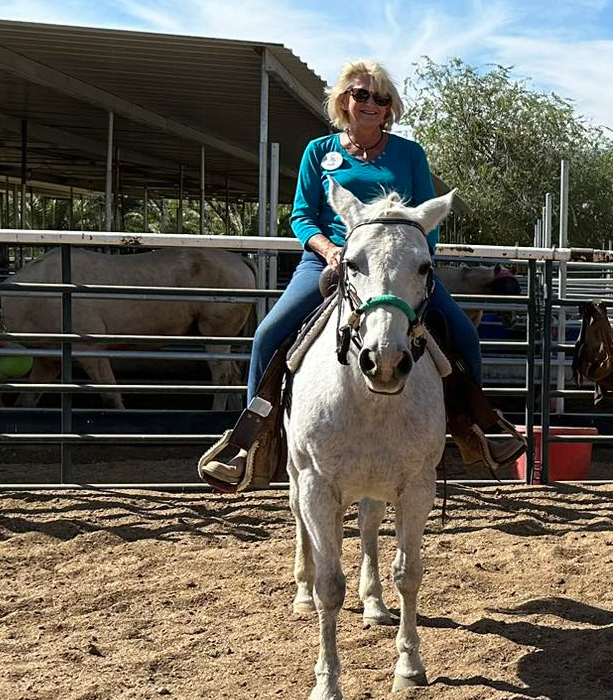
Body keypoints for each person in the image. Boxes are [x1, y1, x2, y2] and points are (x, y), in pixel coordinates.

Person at [200, 59, 523, 485]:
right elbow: (301, 217)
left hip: (399, 262)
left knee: (463, 333)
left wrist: (412, 261)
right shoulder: (319, 152)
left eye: (381, 97)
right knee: (268, 335)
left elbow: (429, 222)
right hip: (330, 260)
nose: (371, 103)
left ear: (390, 107)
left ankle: (477, 427)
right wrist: (329, 249)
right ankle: (250, 442)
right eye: (361, 94)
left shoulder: (410, 154)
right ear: (344, 101)